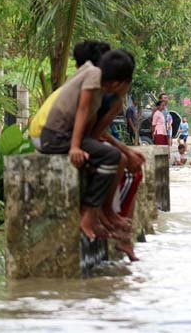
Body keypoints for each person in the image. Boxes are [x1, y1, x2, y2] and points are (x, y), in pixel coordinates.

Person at [40, 49, 134, 240]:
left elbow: (93, 130)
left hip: (65, 136)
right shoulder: (93, 75)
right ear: (118, 83)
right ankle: (88, 215)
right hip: (56, 136)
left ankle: (99, 214)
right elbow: (82, 110)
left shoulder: (102, 92)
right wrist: (75, 147)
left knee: (111, 158)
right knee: (111, 156)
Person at [29, 40, 111, 149]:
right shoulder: (90, 86)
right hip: (45, 136)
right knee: (107, 151)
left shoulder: (75, 83)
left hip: (40, 133)